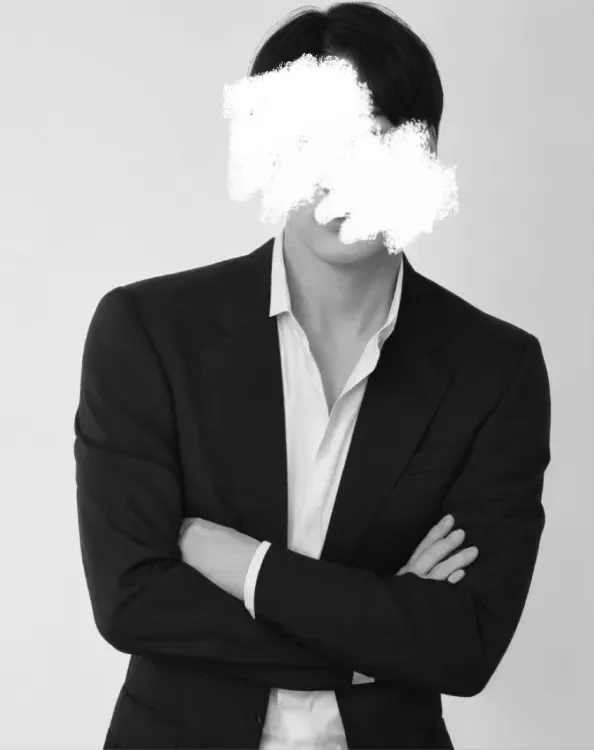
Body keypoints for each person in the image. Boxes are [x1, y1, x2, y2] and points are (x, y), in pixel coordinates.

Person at [74, 3, 551, 749]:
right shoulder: (148, 332)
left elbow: (464, 645)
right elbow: (132, 602)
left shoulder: (495, 369)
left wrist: (247, 567)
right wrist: (379, 641)